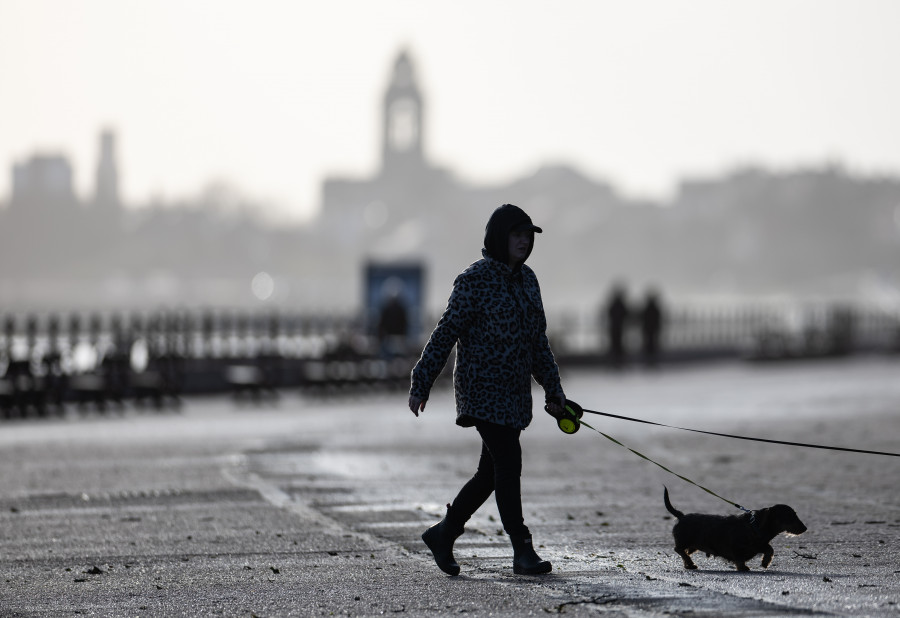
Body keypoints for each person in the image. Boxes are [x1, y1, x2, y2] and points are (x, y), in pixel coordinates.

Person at [408, 203, 567, 576]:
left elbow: (537, 343)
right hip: (481, 390)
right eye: (517, 234)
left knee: (490, 473)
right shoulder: (474, 280)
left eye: (529, 235)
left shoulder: (529, 281)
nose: (525, 241)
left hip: (514, 394)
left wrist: (554, 391)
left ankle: (444, 534)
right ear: (499, 238)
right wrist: (421, 382)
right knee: (509, 465)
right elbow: (445, 333)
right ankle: (522, 549)